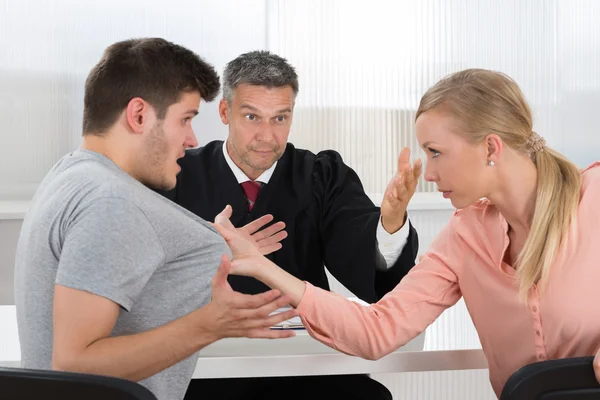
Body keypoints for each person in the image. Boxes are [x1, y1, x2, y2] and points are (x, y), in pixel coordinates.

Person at [214, 68, 600, 398]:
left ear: (490, 147)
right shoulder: (464, 236)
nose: (428, 174)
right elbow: (377, 330)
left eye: (435, 152)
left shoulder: (594, 198)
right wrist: (263, 267)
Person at [13, 38, 297, 400]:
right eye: (186, 119)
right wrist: (210, 325)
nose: (193, 139)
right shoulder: (113, 201)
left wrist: (216, 246)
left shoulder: (71, 175)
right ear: (139, 115)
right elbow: (74, 367)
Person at [159, 50, 422, 400]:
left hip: (304, 365)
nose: (267, 135)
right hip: (206, 367)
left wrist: (389, 224)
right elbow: (143, 273)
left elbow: (363, 257)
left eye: (280, 118)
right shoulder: (176, 175)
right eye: (252, 116)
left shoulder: (321, 177)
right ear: (225, 112)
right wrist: (212, 249)